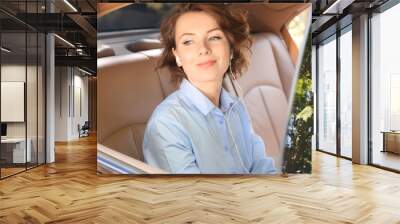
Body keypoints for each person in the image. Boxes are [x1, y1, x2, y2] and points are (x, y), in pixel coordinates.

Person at [143, 4, 276, 174]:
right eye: (188, 41)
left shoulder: (236, 107)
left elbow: (261, 167)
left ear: (231, 47)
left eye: (214, 37)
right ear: (177, 56)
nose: (203, 49)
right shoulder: (166, 124)